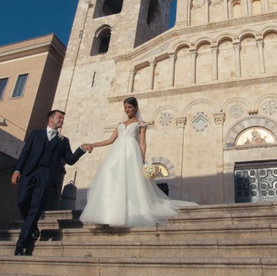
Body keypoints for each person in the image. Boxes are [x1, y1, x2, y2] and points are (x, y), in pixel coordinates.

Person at [79, 97, 195, 227]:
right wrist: (93, 145)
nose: (127, 110)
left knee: (130, 180)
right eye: (125, 108)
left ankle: (129, 212)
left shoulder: (141, 124)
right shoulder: (120, 125)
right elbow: (110, 140)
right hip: (117, 153)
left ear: (135, 108)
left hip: (131, 153)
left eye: (129, 107)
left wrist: (143, 161)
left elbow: (143, 143)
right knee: (109, 174)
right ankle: (110, 213)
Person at [11, 109, 86, 255]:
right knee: (21, 201)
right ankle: (32, 227)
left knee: (35, 208)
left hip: (46, 177)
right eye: (60, 118)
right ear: (51, 119)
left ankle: (21, 244)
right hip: (29, 173)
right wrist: (17, 170)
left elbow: (69, 160)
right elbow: (25, 153)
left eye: (63, 119)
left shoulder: (63, 140)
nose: (62, 120)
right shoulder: (35, 134)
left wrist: (81, 149)